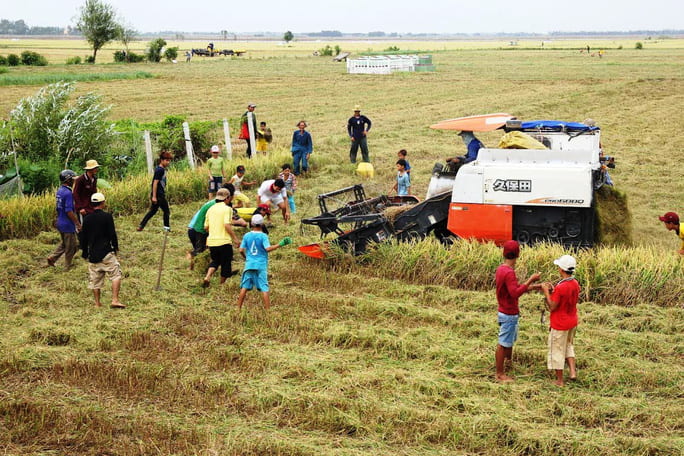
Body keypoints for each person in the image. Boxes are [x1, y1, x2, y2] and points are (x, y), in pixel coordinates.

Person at [494, 240, 542, 382]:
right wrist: (530, 280)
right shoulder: (509, 273)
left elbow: (513, 289)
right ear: (518, 254)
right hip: (509, 313)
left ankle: (508, 364)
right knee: (503, 343)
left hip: (505, 310)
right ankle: (499, 374)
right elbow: (515, 293)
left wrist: (536, 286)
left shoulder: (501, 269)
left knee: (509, 341)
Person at [237, 214, 292, 310]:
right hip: (261, 265)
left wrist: (246, 258)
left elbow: (241, 250)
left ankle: (238, 308)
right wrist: (280, 244)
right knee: (264, 287)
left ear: (252, 223)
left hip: (249, 264)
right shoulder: (263, 236)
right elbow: (268, 248)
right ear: (262, 224)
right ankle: (268, 311)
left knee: (244, 287)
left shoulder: (247, 235)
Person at [79, 192, 124, 309]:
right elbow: (112, 234)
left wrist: (84, 252)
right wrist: (115, 247)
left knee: (95, 280)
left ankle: (97, 303)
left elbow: (83, 237)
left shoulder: (87, 219)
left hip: (93, 254)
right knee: (116, 275)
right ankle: (115, 300)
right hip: (106, 252)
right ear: (103, 203)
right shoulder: (107, 216)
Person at [541, 255, 580, 387]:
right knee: (568, 345)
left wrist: (547, 292)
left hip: (560, 323)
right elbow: (565, 298)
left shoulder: (561, 287)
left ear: (561, 269)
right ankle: (573, 372)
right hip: (572, 320)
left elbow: (552, 306)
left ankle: (559, 380)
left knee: (557, 349)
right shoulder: (575, 283)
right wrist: (554, 291)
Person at [202, 187, 239, 287]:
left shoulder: (210, 209)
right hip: (224, 241)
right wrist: (235, 238)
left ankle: (207, 277)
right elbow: (227, 225)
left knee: (216, 261)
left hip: (212, 242)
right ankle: (221, 284)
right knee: (226, 264)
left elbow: (206, 227)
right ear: (227, 198)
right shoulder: (227, 209)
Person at [47, 169, 81, 270]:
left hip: (60, 221)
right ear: (68, 180)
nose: (74, 181)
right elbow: (69, 211)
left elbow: (58, 208)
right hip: (67, 224)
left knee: (65, 243)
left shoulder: (60, 191)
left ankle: (52, 258)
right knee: (72, 247)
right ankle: (67, 267)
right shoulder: (68, 193)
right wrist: (77, 223)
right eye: (73, 179)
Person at [137, 152, 172, 232]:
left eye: (169, 160)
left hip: (158, 194)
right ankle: (166, 228)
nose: (168, 162)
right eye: (166, 160)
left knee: (153, 211)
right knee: (166, 211)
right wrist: (154, 196)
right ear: (162, 160)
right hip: (159, 194)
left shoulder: (161, 169)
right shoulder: (159, 170)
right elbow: (155, 183)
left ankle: (141, 225)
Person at [72, 159, 99, 223]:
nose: (96, 169)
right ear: (90, 169)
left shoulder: (94, 179)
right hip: (83, 208)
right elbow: (75, 194)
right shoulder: (80, 179)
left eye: (96, 167)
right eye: (95, 168)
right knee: (83, 226)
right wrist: (80, 208)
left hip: (91, 208)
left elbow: (94, 192)